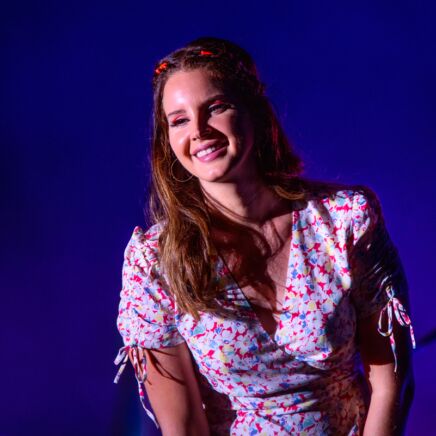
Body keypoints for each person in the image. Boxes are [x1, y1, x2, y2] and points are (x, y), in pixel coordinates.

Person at [114, 37, 415, 435]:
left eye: (215, 107)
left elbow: (391, 383)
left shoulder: (346, 219)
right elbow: (183, 427)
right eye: (180, 120)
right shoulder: (153, 261)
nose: (199, 131)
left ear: (253, 111)